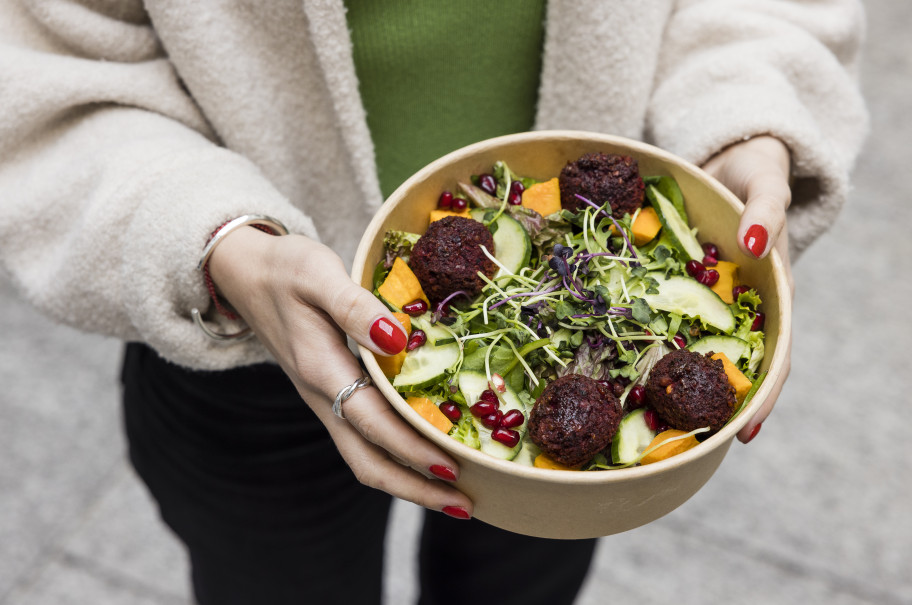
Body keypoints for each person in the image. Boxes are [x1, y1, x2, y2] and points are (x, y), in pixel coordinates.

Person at [0, 1, 867, 603]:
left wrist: (746, 110)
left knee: (517, 588)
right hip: (242, 330)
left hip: (592, 341)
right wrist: (216, 243)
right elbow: (36, 69)